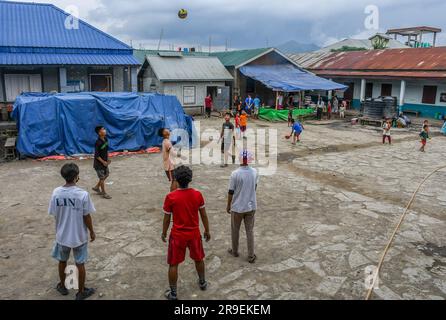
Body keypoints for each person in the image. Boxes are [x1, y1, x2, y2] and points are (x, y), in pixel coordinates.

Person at [162, 166, 211, 300]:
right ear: (190, 179)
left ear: (176, 180)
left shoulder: (171, 197)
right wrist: (207, 230)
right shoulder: (197, 194)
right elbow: (204, 215)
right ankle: (202, 282)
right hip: (194, 234)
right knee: (199, 258)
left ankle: (173, 293)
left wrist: (164, 232)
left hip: (177, 236)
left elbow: (166, 219)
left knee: (173, 264)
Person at [49, 163, 96, 300]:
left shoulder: (56, 192)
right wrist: (92, 231)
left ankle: (63, 286)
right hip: (79, 236)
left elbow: (54, 213)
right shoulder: (82, 194)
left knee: (62, 260)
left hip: (62, 235)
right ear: (77, 177)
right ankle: (81, 292)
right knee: (80, 263)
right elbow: (86, 216)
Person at [227, 150, 259, 264]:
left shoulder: (235, 174)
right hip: (251, 206)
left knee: (235, 230)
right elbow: (254, 187)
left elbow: (231, 191)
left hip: (237, 207)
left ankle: (235, 251)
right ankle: (251, 255)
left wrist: (228, 205)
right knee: (249, 231)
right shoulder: (254, 172)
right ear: (250, 160)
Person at [92, 126, 112, 199]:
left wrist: (107, 159)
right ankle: (103, 193)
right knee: (102, 178)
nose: (105, 130)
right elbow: (96, 155)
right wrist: (103, 162)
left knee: (106, 174)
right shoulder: (98, 143)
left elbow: (106, 150)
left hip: (105, 162)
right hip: (98, 164)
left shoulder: (106, 139)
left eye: (104, 129)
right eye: (103, 129)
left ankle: (97, 187)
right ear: (100, 133)